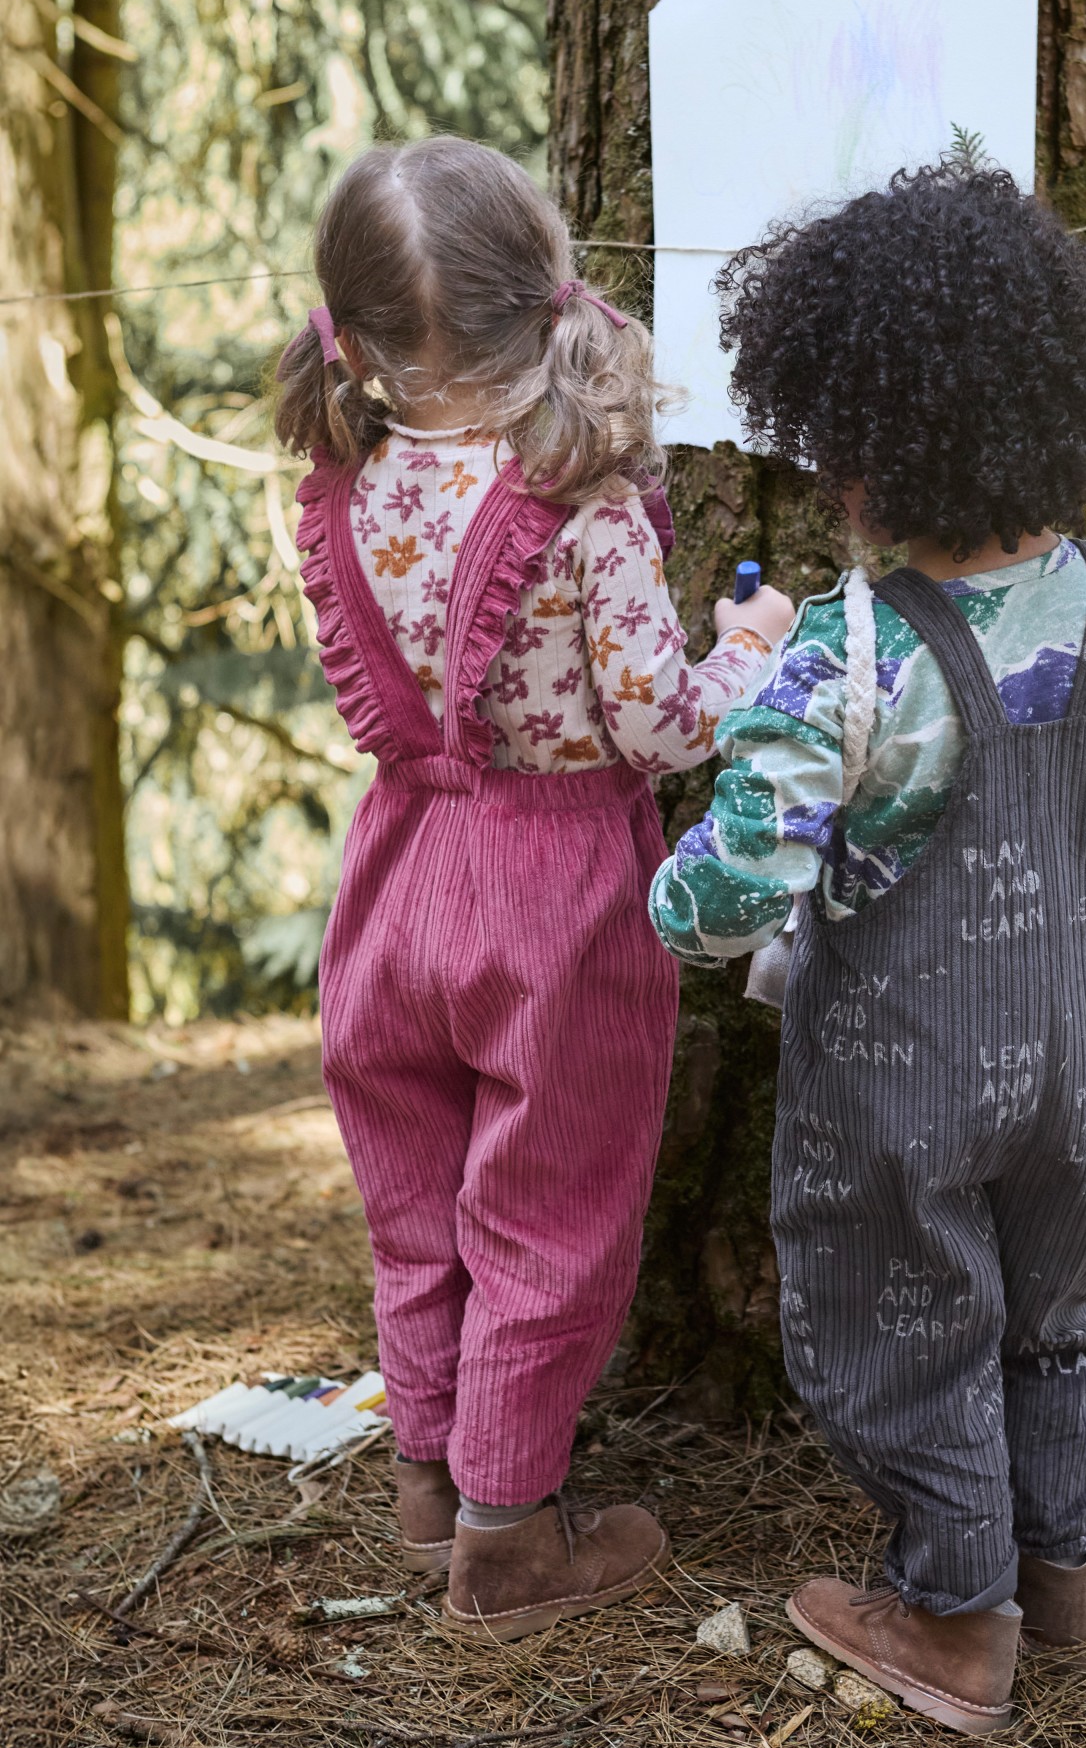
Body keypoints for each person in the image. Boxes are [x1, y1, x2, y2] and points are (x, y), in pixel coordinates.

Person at [650, 165, 1086, 1732]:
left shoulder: (854, 646)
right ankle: (1061, 1580)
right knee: (1049, 1308)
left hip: (915, 1054)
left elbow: (733, 894)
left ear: (868, 449)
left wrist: (674, 875)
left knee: (911, 1315)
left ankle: (958, 1624)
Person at [274, 136, 793, 1642]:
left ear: (359, 345)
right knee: (546, 1219)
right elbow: (664, 725)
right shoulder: (583, 504)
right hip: (552, 898)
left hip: (394, 882)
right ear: (537, 300)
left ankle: (429, 1485)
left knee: (418, 1206)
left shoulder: (349, 490)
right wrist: (751, 640)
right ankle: (508, 1545)